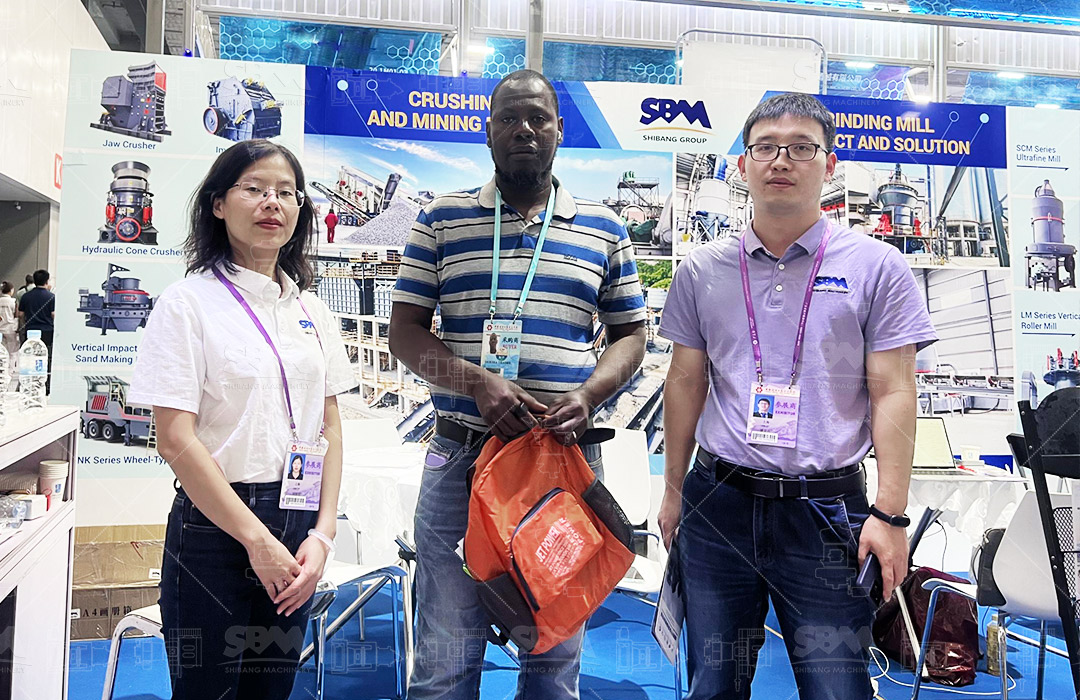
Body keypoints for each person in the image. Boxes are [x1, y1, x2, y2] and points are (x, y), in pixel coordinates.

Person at [657, 93, 937, 700]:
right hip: (718, 504)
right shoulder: (701, 270)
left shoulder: (877, 267)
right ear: (743, 165)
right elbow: (685, 383)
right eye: (765, 147)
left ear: (829, 165)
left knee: (836, 688)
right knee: (713, 683)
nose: (781, 160)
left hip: (825, 512)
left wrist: (890, 514)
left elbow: (894, 389)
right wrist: (674, 490)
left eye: (802, 147)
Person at [388, 69, 647, 700]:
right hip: (462, 456)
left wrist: (589, 396)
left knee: (555, 650)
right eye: (508, 118)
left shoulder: (604, 228)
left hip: (563, 462)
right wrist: (475, 383)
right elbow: (404, 335)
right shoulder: (441, 220)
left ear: (559, 130)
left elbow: (631, 338)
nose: (524, 130)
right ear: (487, 132)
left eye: (538, 118)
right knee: (447, 652)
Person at [128, 139, 356, 698]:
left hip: (298, 519)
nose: (271, 202)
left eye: (286, 192)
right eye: (253, 189)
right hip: (216, 528)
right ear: (218, 204)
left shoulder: (312, 310)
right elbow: (174, 438)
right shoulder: (187, 303)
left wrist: (323, 534)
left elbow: (329, 426)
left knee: (271, 688)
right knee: (208, 690)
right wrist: (256, 541)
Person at [17, 269, 55, 393]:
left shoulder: (26, 296)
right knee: (46, 358)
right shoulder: (51, 297)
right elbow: (53, 314)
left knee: (30, 358)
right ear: (47, 281)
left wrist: (25, 323)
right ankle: (46, 385)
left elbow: (20, 314)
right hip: (47, 331)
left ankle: (30, 383)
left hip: (31, 331)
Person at [0, 282, 17, 390]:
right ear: (11, 290)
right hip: (10, 328)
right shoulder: (13, 302)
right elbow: (17, 314)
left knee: (1, 351)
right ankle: (10, 371)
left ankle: (1, 369)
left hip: (0, 328)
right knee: (12, 352)